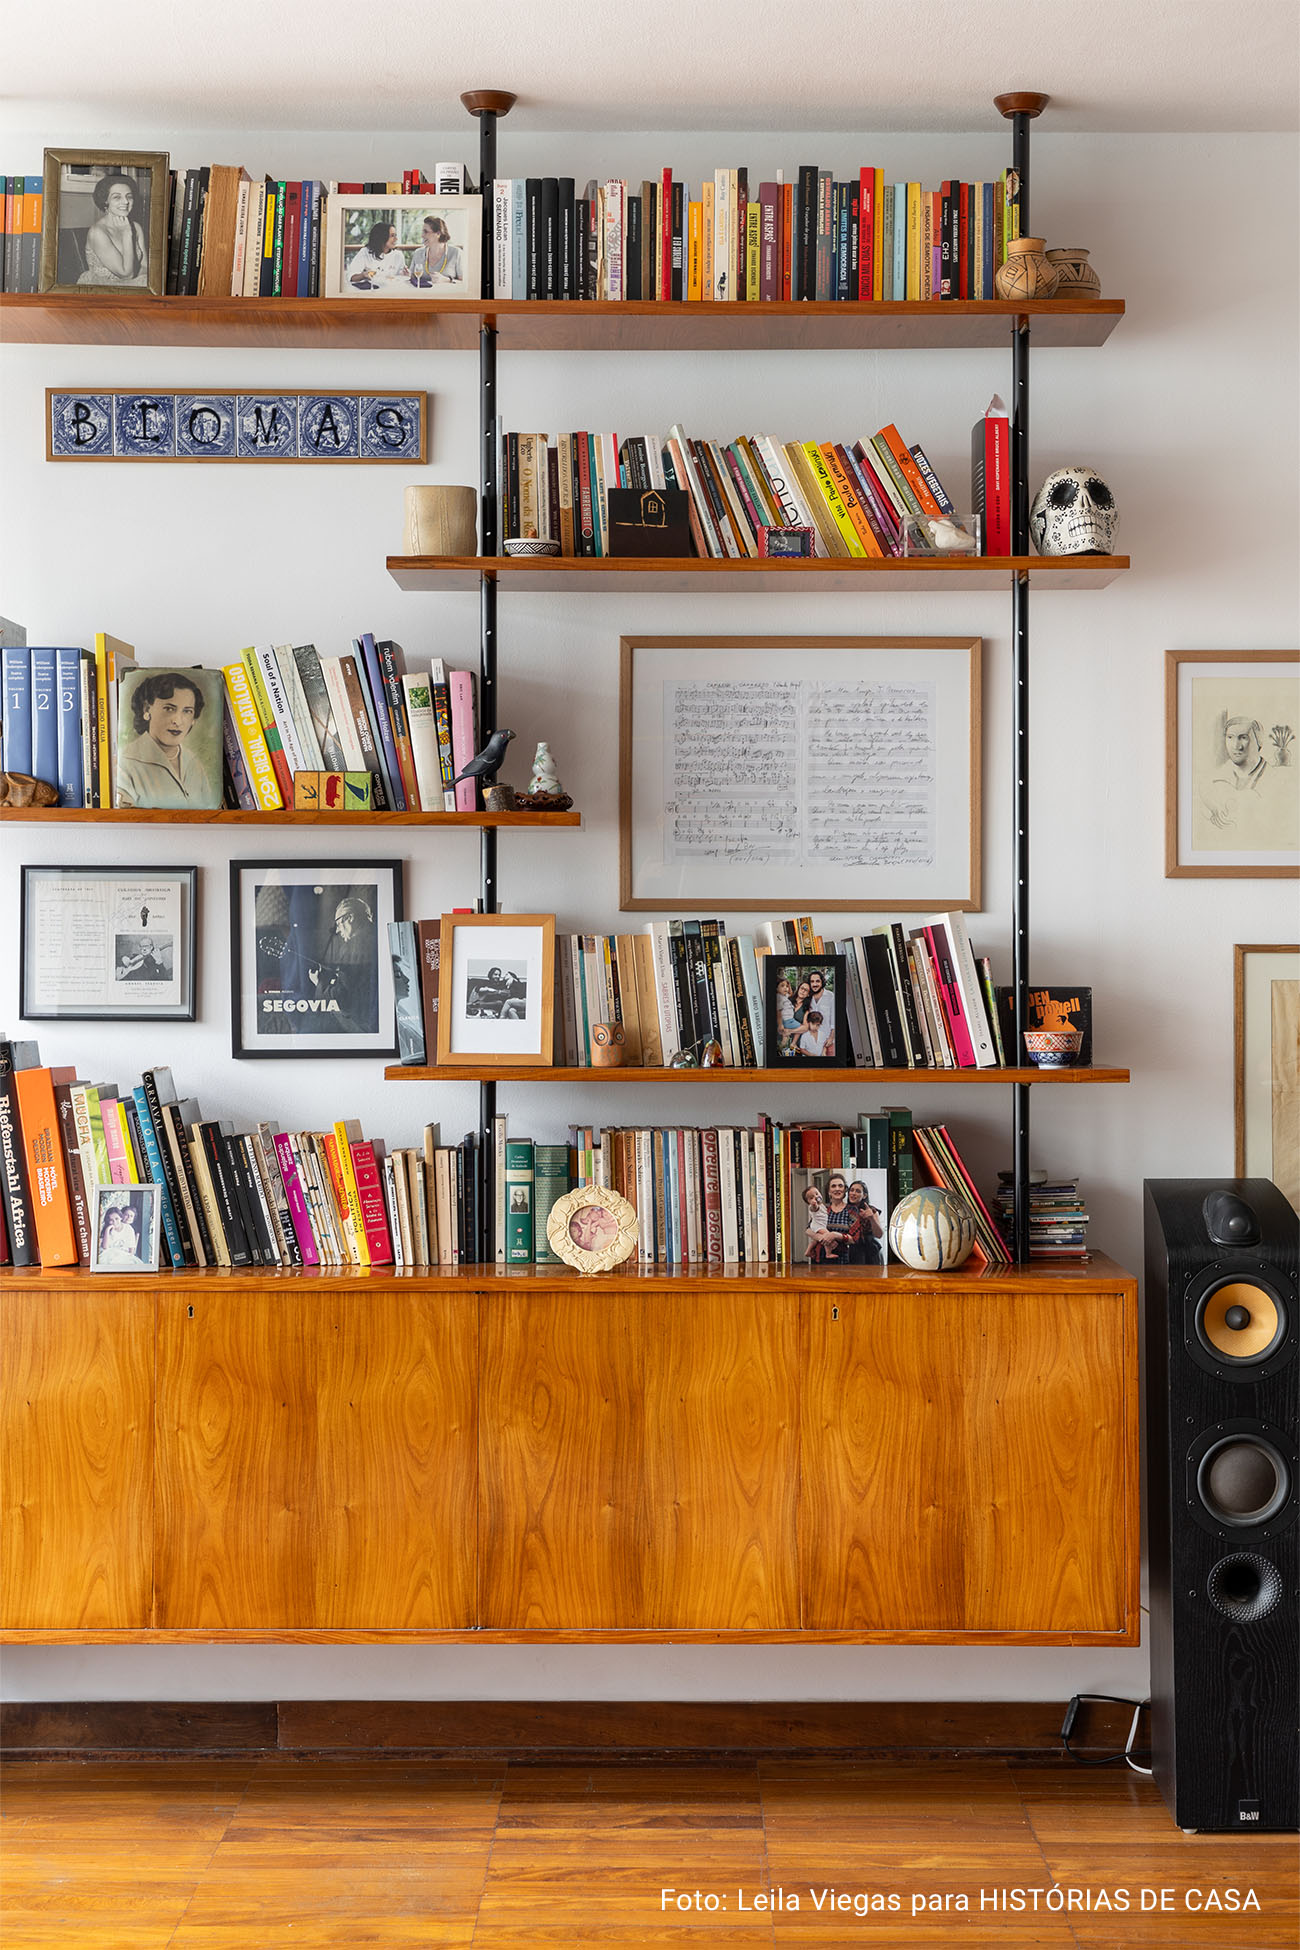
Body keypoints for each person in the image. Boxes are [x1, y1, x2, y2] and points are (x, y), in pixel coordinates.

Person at [115, 674, 209, 808]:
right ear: (147, 710)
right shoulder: (125, 763)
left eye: (187, 711)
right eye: (169, 709)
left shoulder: (194, 763)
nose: (177, 721)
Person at [79, 173, 148, 286]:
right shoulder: (97, 232)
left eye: (129, 196)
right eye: (117, 197)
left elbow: (145, 266)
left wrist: (140, 280)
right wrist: (126, 233)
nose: (125, 201)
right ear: (105, 201)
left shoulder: (136, 227)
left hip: (131, 284)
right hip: (101, 289)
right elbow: (126, 274)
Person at [348, 220, 407, 289]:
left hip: (391, 291)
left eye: (395, 235)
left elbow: (401, 279)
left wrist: (406, 275)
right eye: (392, 236)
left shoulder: (398, 255)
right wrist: (363, 275)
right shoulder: (365, 252)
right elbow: (352, 277)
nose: (396, 239)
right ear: (381, 237)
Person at [409, 214, 463, 286]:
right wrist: (407, 275)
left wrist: (447, 280)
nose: (422, 235)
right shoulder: (418, 253)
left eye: (426, 231)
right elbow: (412, 277)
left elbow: (465, 283)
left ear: (438, 233)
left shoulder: (456, 253)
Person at [846, 1179, 884, 1265]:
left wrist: (871, 1219)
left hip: (870, 1251)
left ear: (864, 1195)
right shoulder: (845, 1209)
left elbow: (879, 1235)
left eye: (858, 1191)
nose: (853, 1193)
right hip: (850, 1250)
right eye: (851, 1190)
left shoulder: (871, 1210)